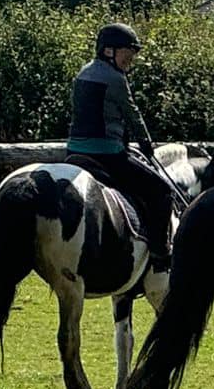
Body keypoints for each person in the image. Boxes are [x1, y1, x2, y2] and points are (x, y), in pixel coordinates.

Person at [65, 22, 179, 271]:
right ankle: (161, 252)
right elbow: (132, 113)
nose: (131, 60)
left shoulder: (83, 73)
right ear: (109, 51)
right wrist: (146, 143)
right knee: (161, 192)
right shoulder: (115, 78)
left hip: (74, 152)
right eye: (127, 54)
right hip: (107, 154)